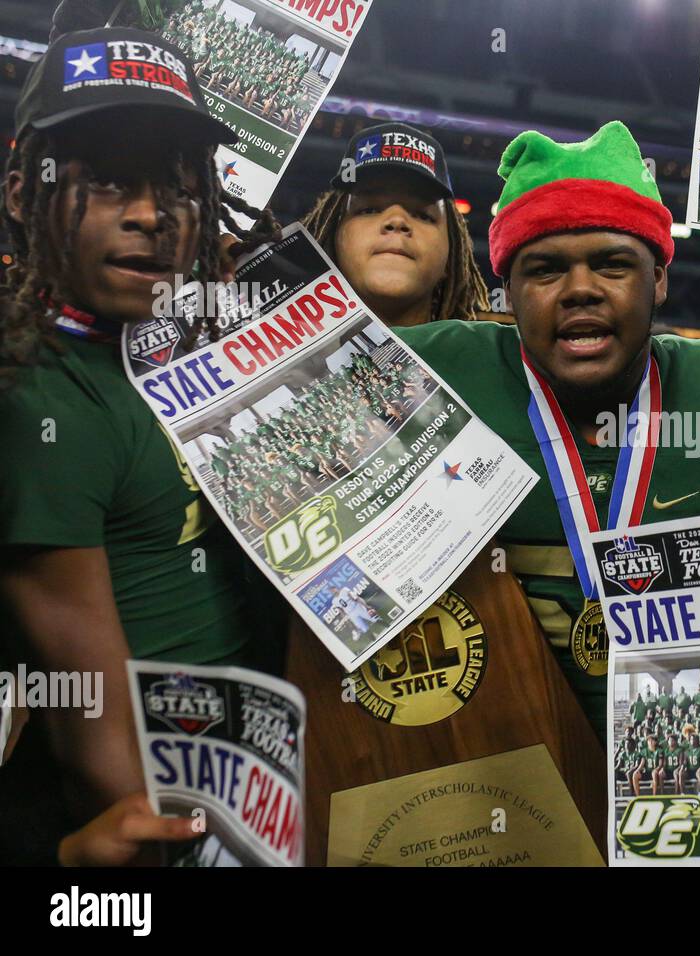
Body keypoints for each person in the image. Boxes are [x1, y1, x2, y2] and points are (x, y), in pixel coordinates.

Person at [392, 121, 700, 736]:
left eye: (612, 265)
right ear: (507, 289)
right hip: (494, 777)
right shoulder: (433, 369)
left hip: (690, 769)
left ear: (658, 277)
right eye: (546, 270)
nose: (580, 290)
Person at [0, 26, 283, 865]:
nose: (153, 214)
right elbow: (96, 743)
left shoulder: (177, 348)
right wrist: (161, 834)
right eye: (109, 181)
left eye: (177, 185)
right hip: (171, 820)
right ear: (21, 195)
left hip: (254, 773)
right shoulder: (35, 397)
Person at [302, 122, 492, 327]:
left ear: (450, 253)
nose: (397, 221)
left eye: (422, 215)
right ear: (333, 239)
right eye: (370, 210)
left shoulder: (492, 355)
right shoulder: (265, 354)